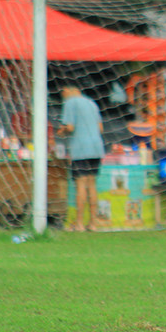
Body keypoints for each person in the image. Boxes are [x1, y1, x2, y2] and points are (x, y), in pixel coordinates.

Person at [59, 85, 104, 231]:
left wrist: (62, 131)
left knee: (81, 184)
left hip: (81, 148)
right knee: (92, 184)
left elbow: (70, 127)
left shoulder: (70, 102)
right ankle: (93, 223)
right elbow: (100, 128)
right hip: (96, 147)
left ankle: (78, 223)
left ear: (67, 91)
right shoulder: (92, 103)